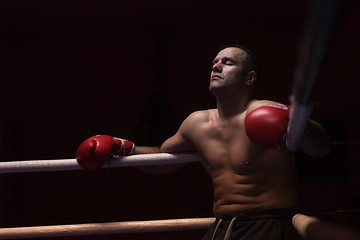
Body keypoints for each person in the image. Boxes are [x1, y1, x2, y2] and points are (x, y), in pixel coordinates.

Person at [76, 45, 331, 240]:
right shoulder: (197, 124)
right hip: (222, 225)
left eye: (227, 63)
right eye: (215, 62)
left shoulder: (267, 110)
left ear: (249, 78)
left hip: (271, 223)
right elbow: (161, 160)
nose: (216, 67)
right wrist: (122, 147)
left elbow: (321, 149)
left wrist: (304, 125)